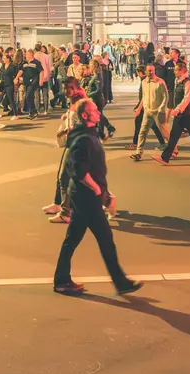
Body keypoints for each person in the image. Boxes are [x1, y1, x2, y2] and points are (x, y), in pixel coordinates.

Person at [51, 98, 143, 298]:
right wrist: (100, 193)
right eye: (94, 110)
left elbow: (91, 170)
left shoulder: (88, 134)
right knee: (104, 239)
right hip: (86, 199)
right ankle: (121, 282)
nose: (99, 112)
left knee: (73, 239)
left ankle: (62, 280)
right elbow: (79, 171)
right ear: (85, 116)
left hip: (85, 196)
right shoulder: (83, 139)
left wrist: (105, 194)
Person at [156, 62, 190, 165]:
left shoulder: (188, 82)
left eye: (176, 70)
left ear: (182, 70)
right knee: (174, 135)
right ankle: (165, 158)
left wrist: (177, 109)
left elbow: (187, 98)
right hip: (181, 114)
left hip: (188, 114)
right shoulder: (178, 81)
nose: (174, 72)